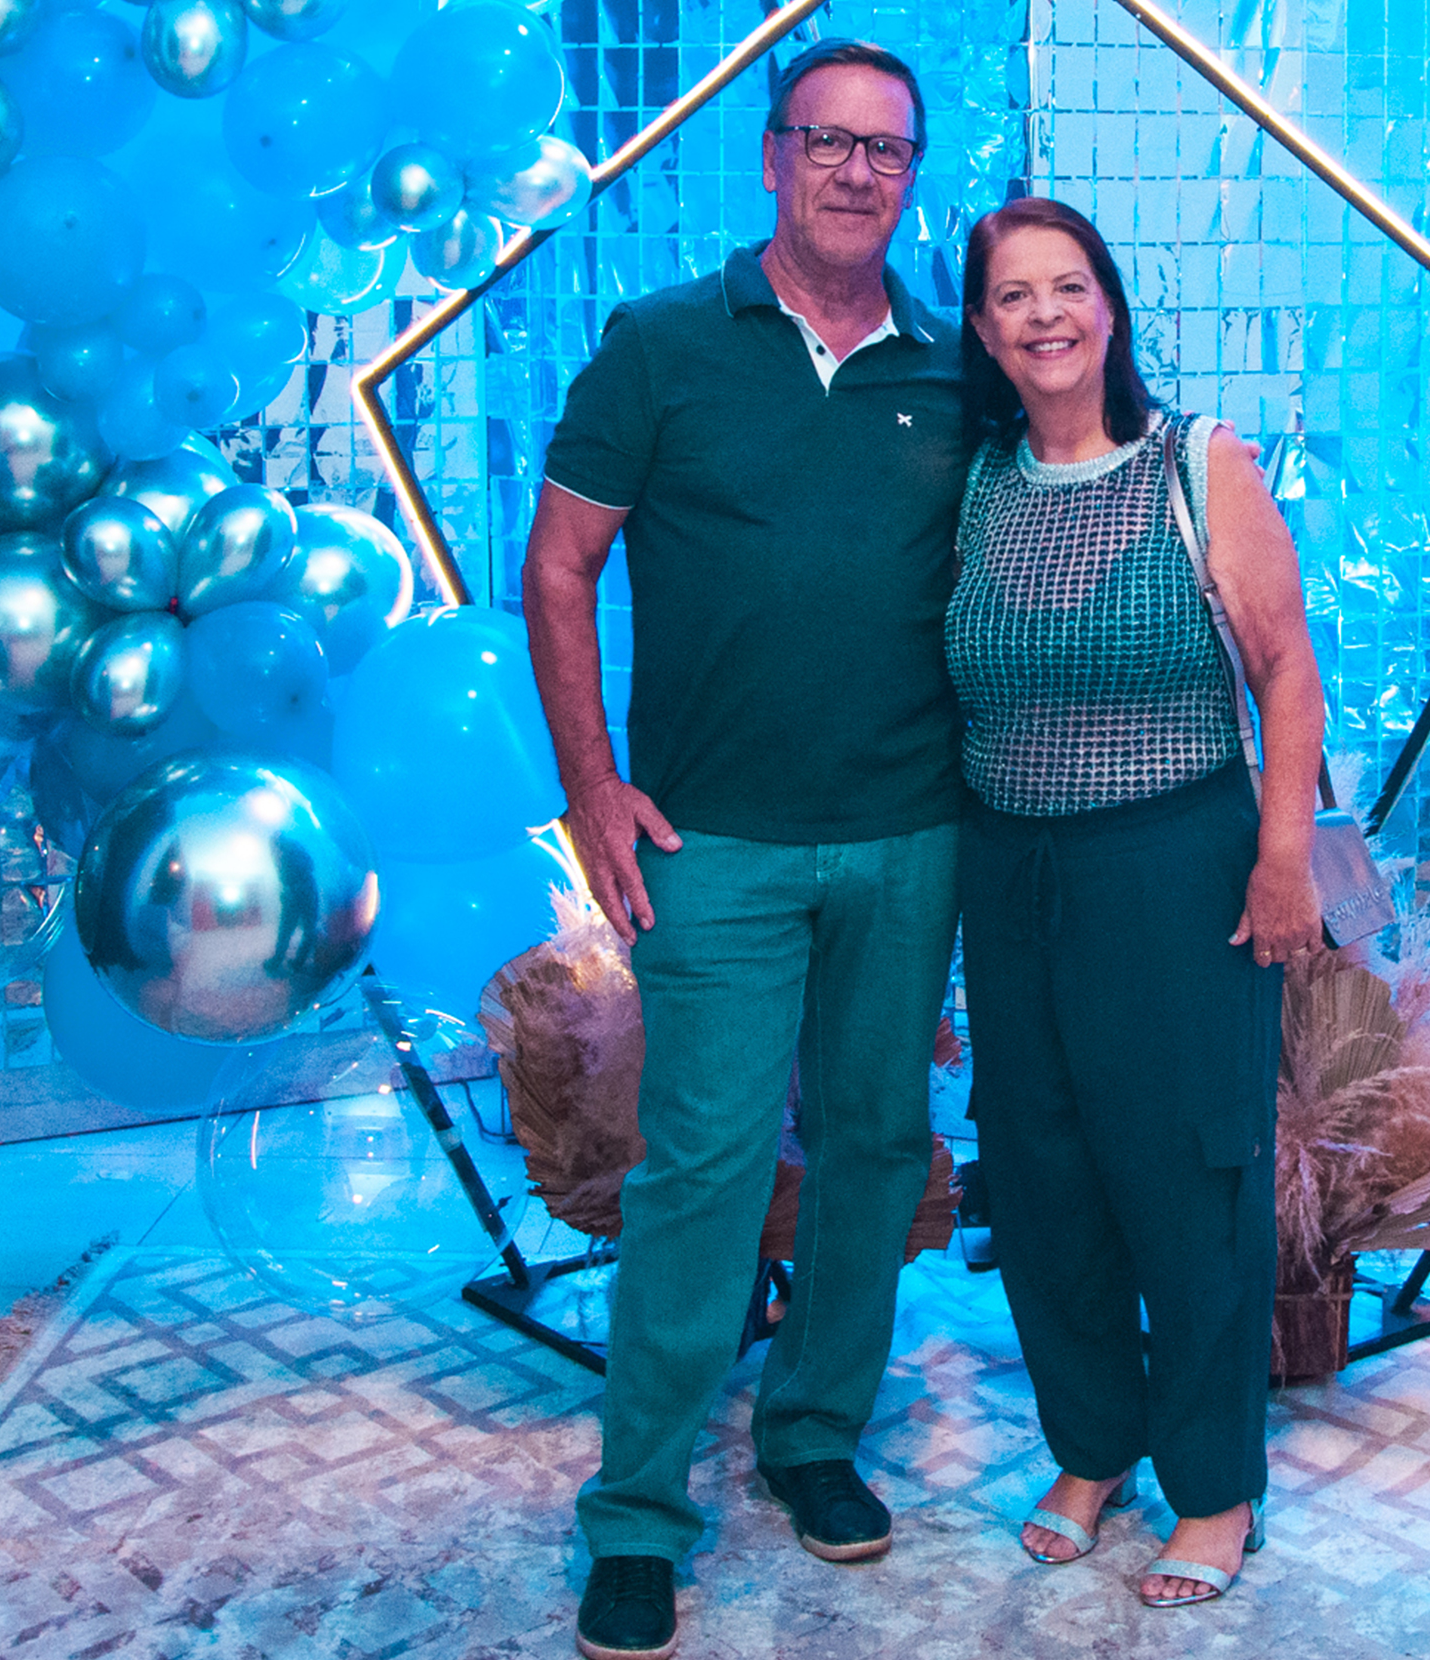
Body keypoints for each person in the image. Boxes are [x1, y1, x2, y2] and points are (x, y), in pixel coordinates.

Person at [520, 39, 967, 1660]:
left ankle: (812, 1434)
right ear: (771, 158)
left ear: (911, 175)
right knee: (701, 1169)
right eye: (826, 141)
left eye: (886, 149)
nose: (856, 171)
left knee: (876, 1149)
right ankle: (639, 1513)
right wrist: (595, 786)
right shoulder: (660, 346)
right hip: (713, 846)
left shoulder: (955, 366)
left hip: (911, 837)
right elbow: (559, 565)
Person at [945, 196, 1324, 1608]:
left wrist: (1282, 857)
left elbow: (1286, 672)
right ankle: (1092, 1448)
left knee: (1190, 1178)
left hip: (1175, 868)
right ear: (983, 330)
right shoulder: (974, 486)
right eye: (1013, 296)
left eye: (1069, 287)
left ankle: (1214, 1487)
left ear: (1109, 307)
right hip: (1010, 872)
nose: (1044, 315)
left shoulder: (1197, 466)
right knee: (1043, 1174)